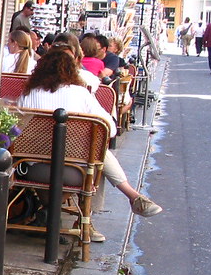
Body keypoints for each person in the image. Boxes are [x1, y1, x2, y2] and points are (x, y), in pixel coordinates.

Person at [17, 47, 163, 239]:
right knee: (97, 157)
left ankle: (50, 212)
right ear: (72, 70)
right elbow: (108, 129)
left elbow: (15, 129)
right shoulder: (81, 94)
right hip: (75, 173)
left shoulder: (29, 94)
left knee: (96, 155)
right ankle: (89, 219)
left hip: (30, 168)